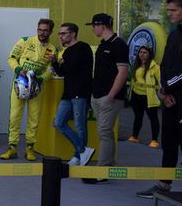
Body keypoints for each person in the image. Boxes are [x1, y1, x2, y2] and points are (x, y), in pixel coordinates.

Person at [137, 0, 182, 198]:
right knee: (169, 144)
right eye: (168, 10)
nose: (169, 13)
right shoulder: (174, 35)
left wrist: (167, 89)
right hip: (170, 101)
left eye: (173, 10)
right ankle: (164, 186)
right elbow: (165, 66)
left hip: (178, 99)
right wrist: (164, 91)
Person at [1, 19, 57, 161]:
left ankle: (29, 149)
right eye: (40, 29)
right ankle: (12, 148)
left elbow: (51, 69)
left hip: (37, 87)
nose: (42, 33)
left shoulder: (52, 49)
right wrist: (19, 69)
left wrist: (42, 78)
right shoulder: (25, 41)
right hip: (19, 84)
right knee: (14, 117)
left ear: (50, 32)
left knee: (34, 119)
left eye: (45, 30)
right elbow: (11, 58)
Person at [83, 13, 129, 184]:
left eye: (94, 26)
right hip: (98, 95)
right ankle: (110, 166)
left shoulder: (119, 45)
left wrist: (111, 95)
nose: (93, 29)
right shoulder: (103, 45)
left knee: (104, 133)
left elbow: (123, 73)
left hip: (109, 98)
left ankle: (101, 171)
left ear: (101, 25)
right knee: (106, 133)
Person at [51, 23, 95, 166]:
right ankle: (82, 150)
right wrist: (55, 62)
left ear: (73, 34)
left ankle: (78, 156)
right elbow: (62, 72)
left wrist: (61, 63)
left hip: (80, 92)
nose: (60, 36)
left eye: (63, 33)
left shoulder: (83, 47)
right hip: (68, 93)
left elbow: (70, 68)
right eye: (60, 33)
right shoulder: (67, 51)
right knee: (58, 122)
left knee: (80, 125)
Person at [127, 45, 161, 148]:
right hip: (136, 95)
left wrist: (162, 92)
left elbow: (160, 81)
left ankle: (154, 140)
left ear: (149, 54)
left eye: (145, 52)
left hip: (148, 97)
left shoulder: (155, 66)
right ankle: (134, 136)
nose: (142, 54)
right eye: (140, 52)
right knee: (138, 117)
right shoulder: (136, 64)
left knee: (153, 118)